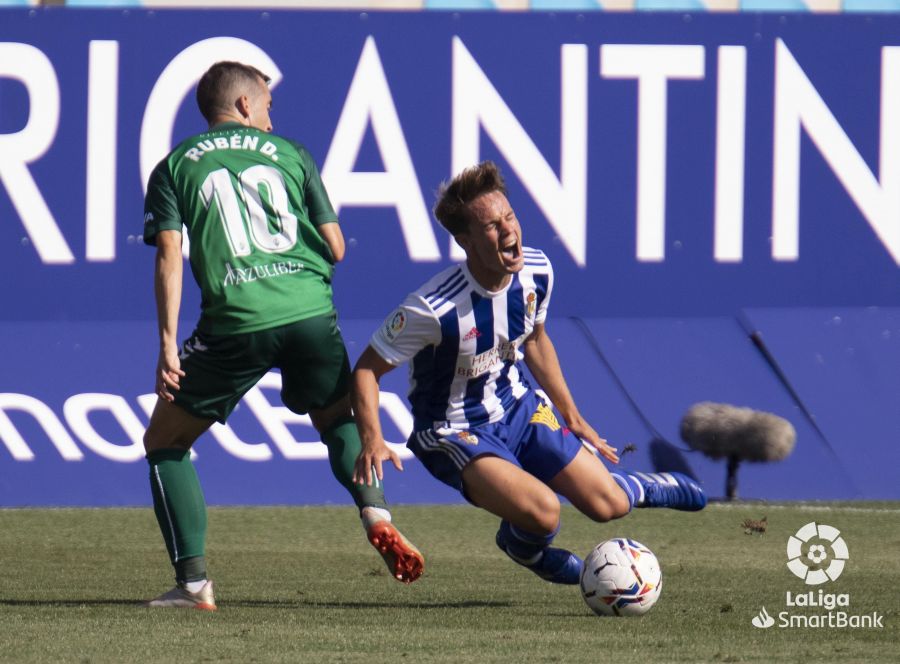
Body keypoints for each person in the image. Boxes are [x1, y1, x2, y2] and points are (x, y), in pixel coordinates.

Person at [140, 61, 423, 610]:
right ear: (245, 104)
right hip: (310, 312)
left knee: (165, 443)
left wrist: (168, 343)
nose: (272, 113)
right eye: (267, 102)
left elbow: (171, 255)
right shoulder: (293, 154)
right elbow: (336, 247)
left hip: (236, 321)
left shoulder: (175, 166)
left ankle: (194, 585)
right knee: (336, 418)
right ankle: (376, 513)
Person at [350, 161, 706, 585]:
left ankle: (640, 488)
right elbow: (367, 371)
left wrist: (572, 417)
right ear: (465, 241)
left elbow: (535, 340)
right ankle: (525, 545)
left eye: (510, 217)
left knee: (607, 504)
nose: (508, 231)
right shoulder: (433, 308)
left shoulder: (537, 270)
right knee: (545, 511)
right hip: (454, 430)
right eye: (491, 226)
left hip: (518, 408)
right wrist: (373, 438)